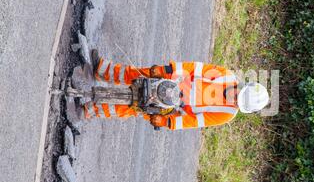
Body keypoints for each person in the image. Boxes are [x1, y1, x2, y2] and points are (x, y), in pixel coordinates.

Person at [83, 50, 270, 130]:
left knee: (137, 108)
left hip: (176, 107)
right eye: (238, 95)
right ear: (242, 86)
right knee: (141, 75)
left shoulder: (226, 114)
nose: (234, 98)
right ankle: (103, 71)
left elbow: (194, 121)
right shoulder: (226, 75)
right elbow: (195, 68)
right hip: (174, 82)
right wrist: (168, 70)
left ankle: (92, 109)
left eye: (238, 102)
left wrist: (166, 122)